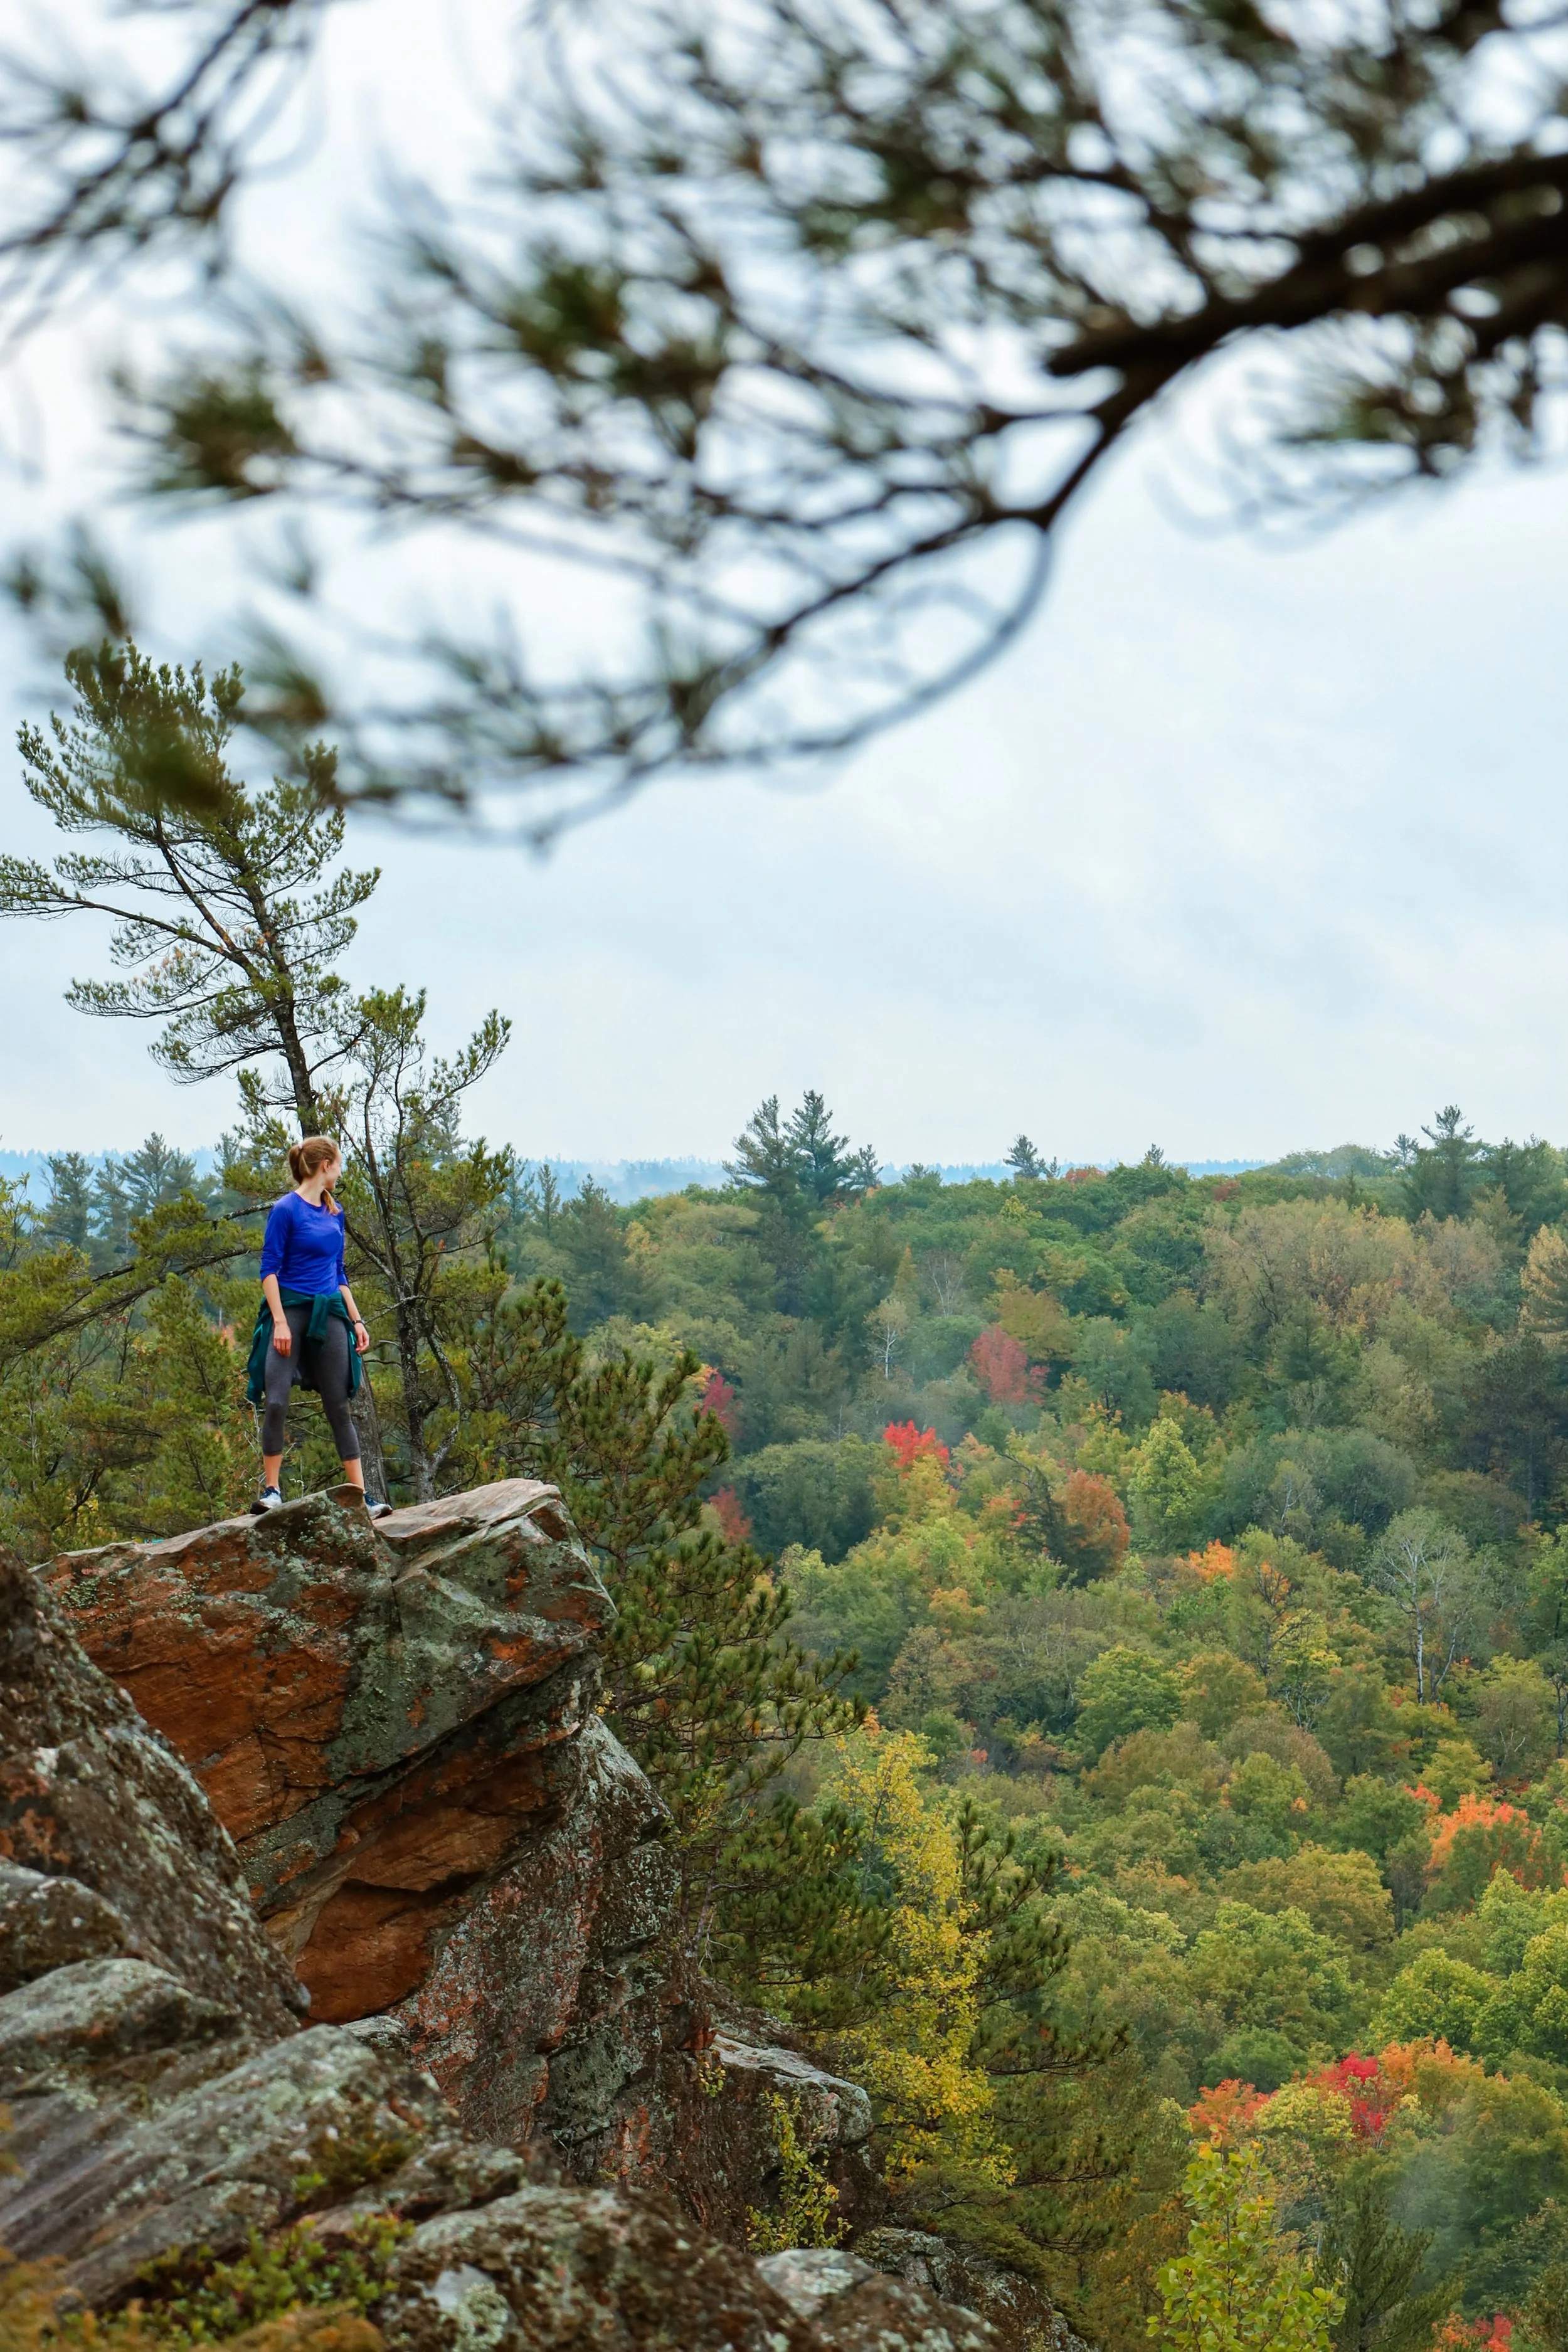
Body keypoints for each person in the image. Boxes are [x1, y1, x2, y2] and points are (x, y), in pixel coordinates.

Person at [245, 1136, 391, 1515]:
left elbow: (339, 1272)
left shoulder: (335, 1212)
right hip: (290, 1310)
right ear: (325, 1164)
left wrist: (356, 1319)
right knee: (276, 1402)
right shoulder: (286, 1210)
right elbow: (269, 1270)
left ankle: (362, 1499)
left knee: (339, 1407)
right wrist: (278, 1321)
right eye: (339, 1164)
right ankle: (273, 1491)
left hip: (329, 1314)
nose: (340, 1172)